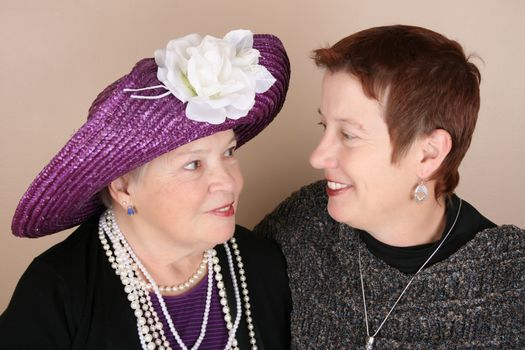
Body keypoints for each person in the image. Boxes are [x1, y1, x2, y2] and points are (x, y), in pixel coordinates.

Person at [1, 29, 291, 350]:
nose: (228, 181)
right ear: (123, 186)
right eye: (193, 164)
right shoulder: (57, 292)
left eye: (229, 152)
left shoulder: (262, 264)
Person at [254, 25, 525, 349]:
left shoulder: (510, 281)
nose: (317, 156)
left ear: (428, 154)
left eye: (349, 135)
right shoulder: (300, 228)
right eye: (325, 126)